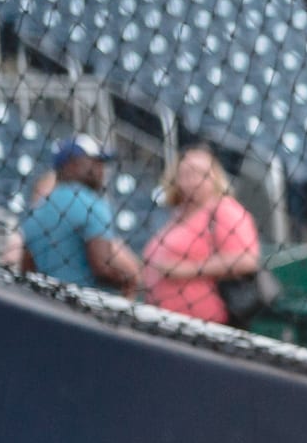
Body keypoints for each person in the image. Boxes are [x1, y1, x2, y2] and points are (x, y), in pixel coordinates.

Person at [139, 143, 263, 325]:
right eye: (185, 174)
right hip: (164, 320)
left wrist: (186, 269)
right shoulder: (177, 213)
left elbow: (247, 261)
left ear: (214, 177)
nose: (191, 180)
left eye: (199, 173)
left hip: (205, 324)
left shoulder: (224, 209)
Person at [16, 135, 141, 294]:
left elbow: (27, 269)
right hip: (84, 307)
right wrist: (127, 281)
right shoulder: (92, 204)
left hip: (45, 304)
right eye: (94, 162)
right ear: (71, 164)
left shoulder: (38, 210)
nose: (100, 170)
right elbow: (102, 267)